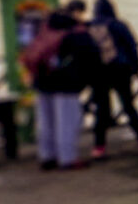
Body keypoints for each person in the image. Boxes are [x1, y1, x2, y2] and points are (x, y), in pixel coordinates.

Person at [23, 9, 100, 169]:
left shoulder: (43, 34)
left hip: (42, 83)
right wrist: (89, 81)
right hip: (67, 85)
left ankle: (47, 157)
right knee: (67, 122)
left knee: (45, 122)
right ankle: (68, 158)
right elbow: (92, 58)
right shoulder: (77, 35)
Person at [86, 0, 138, 158]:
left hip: (98, 72)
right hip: (120, 70)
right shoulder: (118, 25)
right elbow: (131, 45)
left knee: (101, 110)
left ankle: (99, 147)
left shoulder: (89, 26)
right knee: (128, 106)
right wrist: (136, 67)